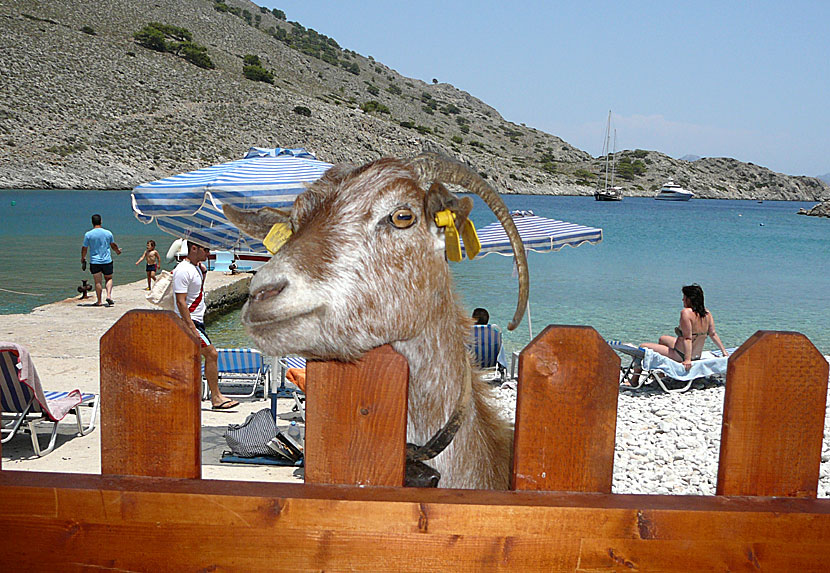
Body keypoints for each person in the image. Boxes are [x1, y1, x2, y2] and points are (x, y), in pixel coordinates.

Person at [172, 239, 239, 410]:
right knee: (211, 354)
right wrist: (191, 327)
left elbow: (196, 292)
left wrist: (204, 274)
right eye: (206, 249)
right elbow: (181, 302)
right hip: (189, 322)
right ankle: (216, 397)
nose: (208, 253)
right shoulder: (183, 270)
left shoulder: (197, 268)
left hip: (197, 321)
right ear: (194, 248)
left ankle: (183, 395)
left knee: (188, 360)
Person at [640, 284, 729, 372]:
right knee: (663, 339)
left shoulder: (686, 313)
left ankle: (635, 379)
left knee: (642, 347)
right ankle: (661, 374)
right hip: (696, 355)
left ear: (690, 299)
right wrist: (724, 352)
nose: (682, 299)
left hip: (681, 355)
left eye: (684, 297)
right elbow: (713, 334)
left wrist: (687, 360)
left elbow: (687, 338)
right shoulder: (707, 313)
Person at [81, 214, 121, 307]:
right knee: (109, 278)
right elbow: (113, 245)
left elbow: (84, 248)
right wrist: (117, 251)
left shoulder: (88, 234)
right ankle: (109, 296)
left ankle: (99, 301)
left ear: (92, 222)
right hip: (107, 261)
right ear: (101, 221)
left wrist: (83, 258)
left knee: (98, 282)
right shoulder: (108, 233)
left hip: (95, 261)